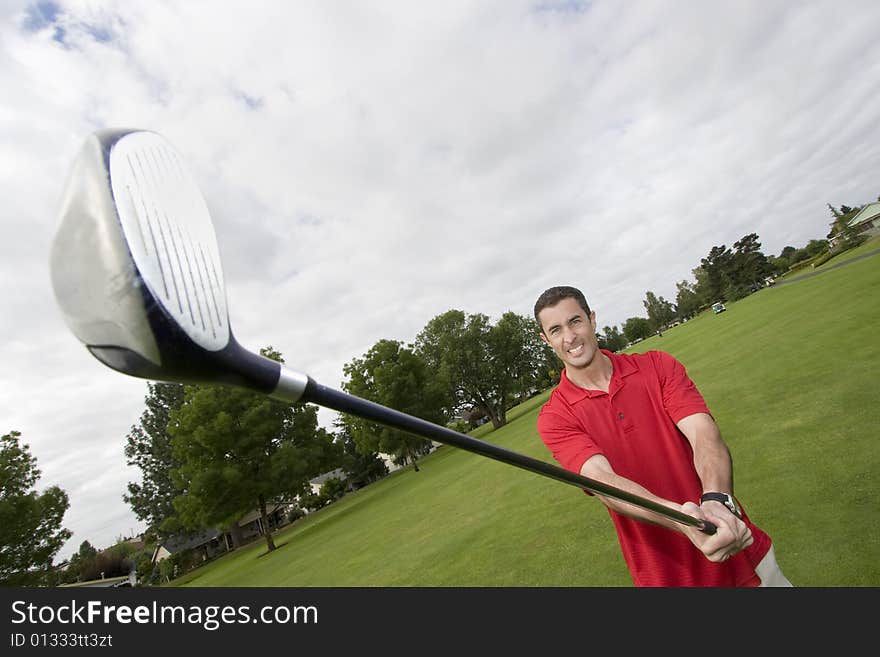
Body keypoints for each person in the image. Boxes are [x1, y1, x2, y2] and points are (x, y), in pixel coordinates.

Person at [533, 285, 792, 587]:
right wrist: (685, 521)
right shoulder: (555, 417)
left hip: (742, 552)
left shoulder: (657, 366)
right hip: (667, 577)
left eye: (575, 321)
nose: (570, 337)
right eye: (556, 330)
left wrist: (717, 502)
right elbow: (604, 482)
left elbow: (703, 434)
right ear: (546, 340)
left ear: (592, 319)